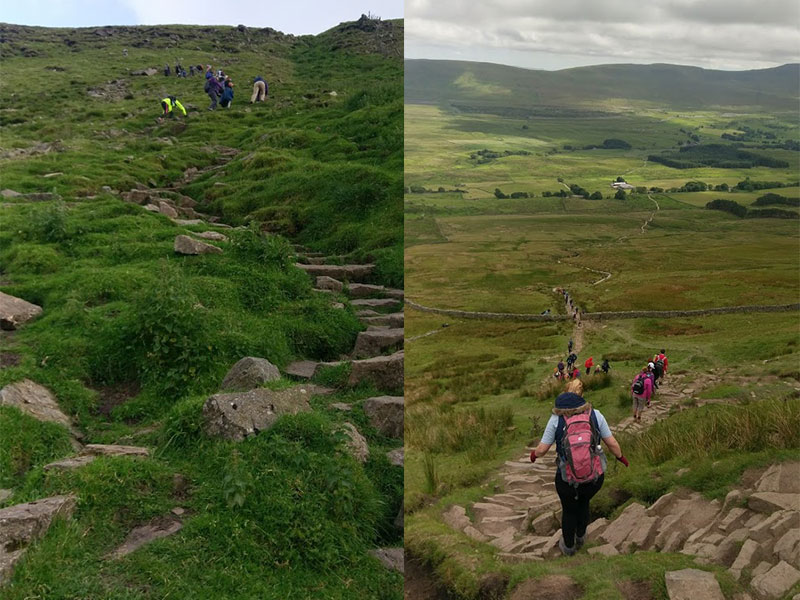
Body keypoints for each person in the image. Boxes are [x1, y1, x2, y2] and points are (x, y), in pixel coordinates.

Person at [530, 392, 628, 556]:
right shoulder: (596, 415)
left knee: (569, 511)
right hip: (593, 476)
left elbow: (542, 450)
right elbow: (612, 443)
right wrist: (621, 457)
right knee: (584, 503)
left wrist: (533, 455)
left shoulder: (556, 420)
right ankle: (581, 537)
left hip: (567, 478)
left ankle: (568, 548)